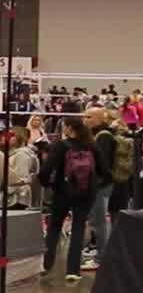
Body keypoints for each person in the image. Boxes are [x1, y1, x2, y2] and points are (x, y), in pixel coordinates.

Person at [41, 116, 109, 282]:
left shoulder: (61, 146)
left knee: (54, 227)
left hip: (62, 192)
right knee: (78, 229)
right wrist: (93, 187)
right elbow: (107, 174)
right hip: (85, 194)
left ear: (69, 128)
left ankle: (47, 265)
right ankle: (73, 270)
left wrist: (51, 185)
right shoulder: (92, 146)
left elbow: (45, 171)